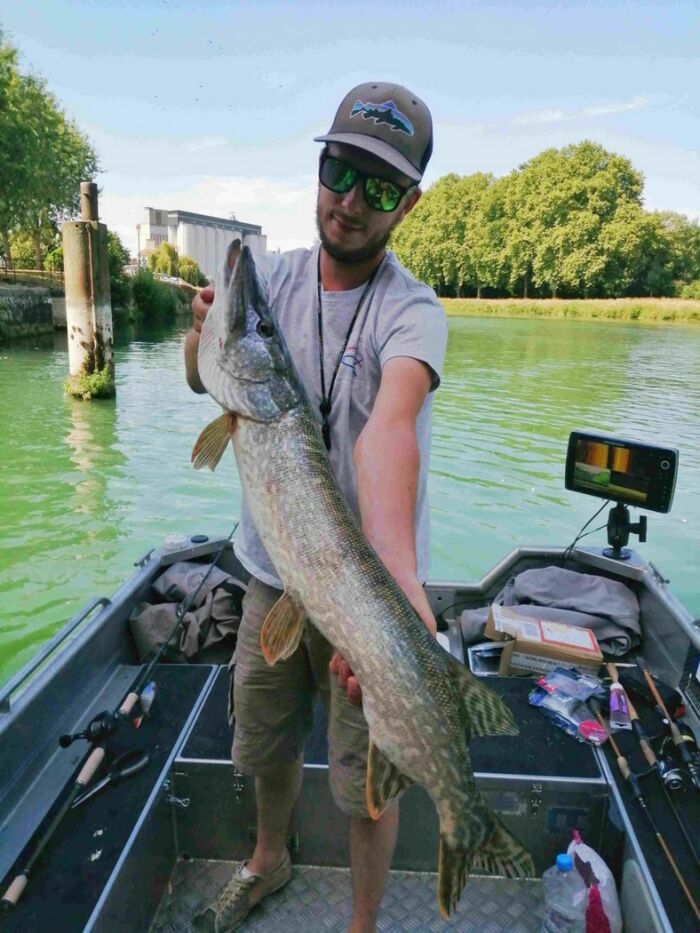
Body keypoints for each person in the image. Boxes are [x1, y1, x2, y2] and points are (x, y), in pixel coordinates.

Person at [185, 81, 448, 933]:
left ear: (407, 203)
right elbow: (209, 377)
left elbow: (389, 431)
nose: (350, 199)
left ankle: (362, 923)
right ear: (321, 165)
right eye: (340, 168)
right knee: (263, 744)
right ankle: (269, 858)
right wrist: (203, 338)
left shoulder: (412, 313)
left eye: (378, 186)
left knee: (367, 782)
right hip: (272, 571)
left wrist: (400, 592)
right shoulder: (274, 282)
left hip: (371, 589)